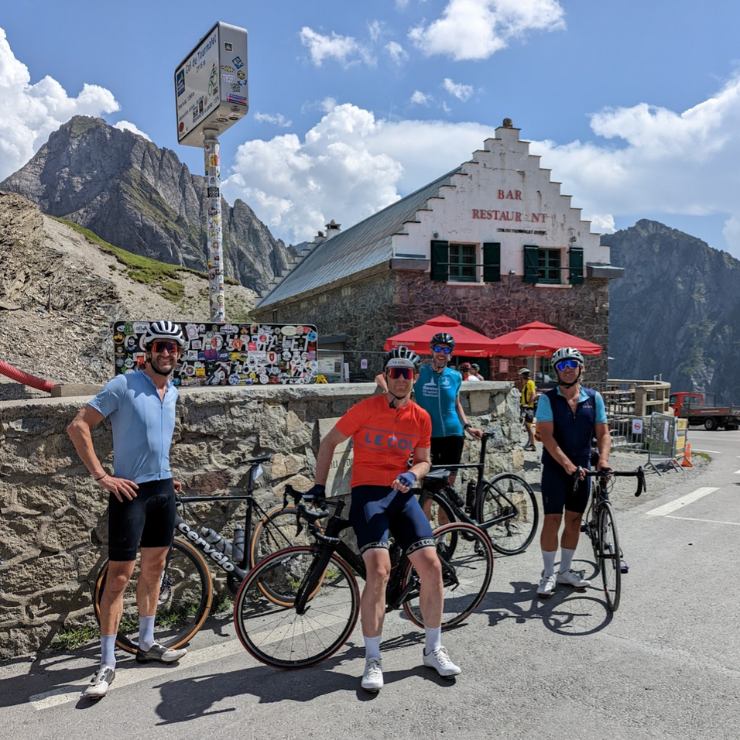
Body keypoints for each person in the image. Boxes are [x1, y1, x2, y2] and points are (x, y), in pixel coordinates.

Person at [311, 346, 461, 692]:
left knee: (432, 566)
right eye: (394, 372)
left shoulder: (421, 416)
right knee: (378, 571)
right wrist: (319, 487)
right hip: (368, 495)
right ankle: (373, 658)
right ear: (385, 375)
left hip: (402, 495)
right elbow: (330, 442)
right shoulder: (365, 409)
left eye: (406, 373)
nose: (400, 378)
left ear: (414, 378)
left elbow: (423, 459)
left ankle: (433, 648)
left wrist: (414, 474)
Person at [67, 321, 188, 699]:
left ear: (178, 355)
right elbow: (78, 426)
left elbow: (154, 440)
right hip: (129, 492)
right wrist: (102, 475)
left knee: (155, 567)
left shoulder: (173, 391)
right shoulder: (123, 384)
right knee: (119, 576)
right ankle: (105, 663)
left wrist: (166, 475)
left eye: (173, 348)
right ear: (148, 352)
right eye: (160, 347)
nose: (166, 353)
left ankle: (148, 643)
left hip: (163, 489)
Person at [535, 347, 611, 598]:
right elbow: (546, 436)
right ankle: (548, 574)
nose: (567, 369)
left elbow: (603, 433)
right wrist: (567, 465)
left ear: (581, 368)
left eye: (572, 364)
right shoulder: (548, 399)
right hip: (556, 468)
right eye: (561, 365)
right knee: (552, 520)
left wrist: (603, 461)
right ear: (556, 370)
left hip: (583, 467)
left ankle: (565, 571)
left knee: (575, 521)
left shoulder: (594, 398)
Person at [518, 367, 537, 451]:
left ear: (522, 376)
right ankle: (531, 443)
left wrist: (528, 404)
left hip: (529, 408)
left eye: (520, 376)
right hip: (526, 407)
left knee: (529, 426)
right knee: (527, 427)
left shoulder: (530, 383)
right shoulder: (526, 384)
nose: (519, 378)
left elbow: (534, 394)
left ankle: (533, 445)